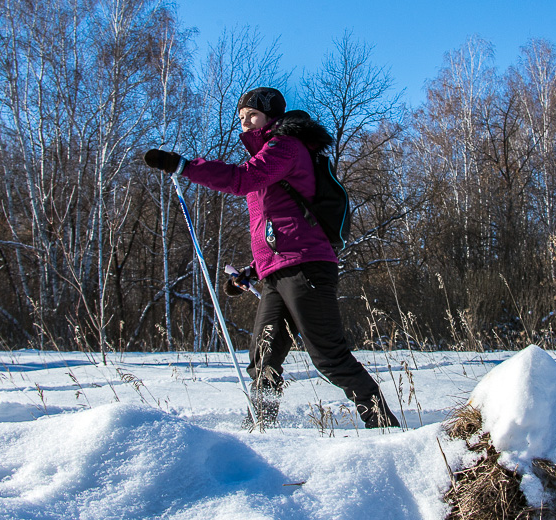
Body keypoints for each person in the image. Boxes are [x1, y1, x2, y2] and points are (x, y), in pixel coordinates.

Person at [144, 86, 400, 430]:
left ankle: (383, 424)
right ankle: (261, 428)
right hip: (279, 271)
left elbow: (241, 179)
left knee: (328, 356)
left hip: (306, 267)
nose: (246, 123)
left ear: (271, 116)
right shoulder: (269, 154)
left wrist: (185, 166)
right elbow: (280, 228)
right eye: (241, 117)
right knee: (263, 358)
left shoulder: (285, 147)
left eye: (253, 115)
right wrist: (252, 271)